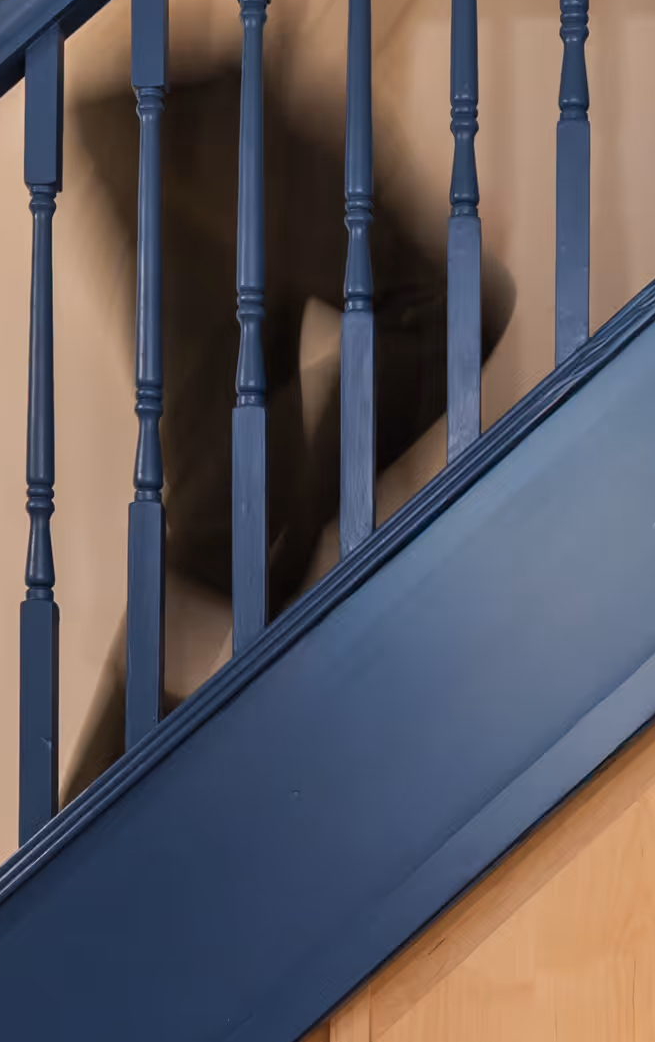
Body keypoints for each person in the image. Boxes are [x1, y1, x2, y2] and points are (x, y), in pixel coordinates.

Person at [64, 54, 513, 796]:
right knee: (446, 310)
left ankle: (81, 835)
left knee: (227, 503)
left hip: (125, 101)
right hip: (201, 85)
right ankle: (293, 567)